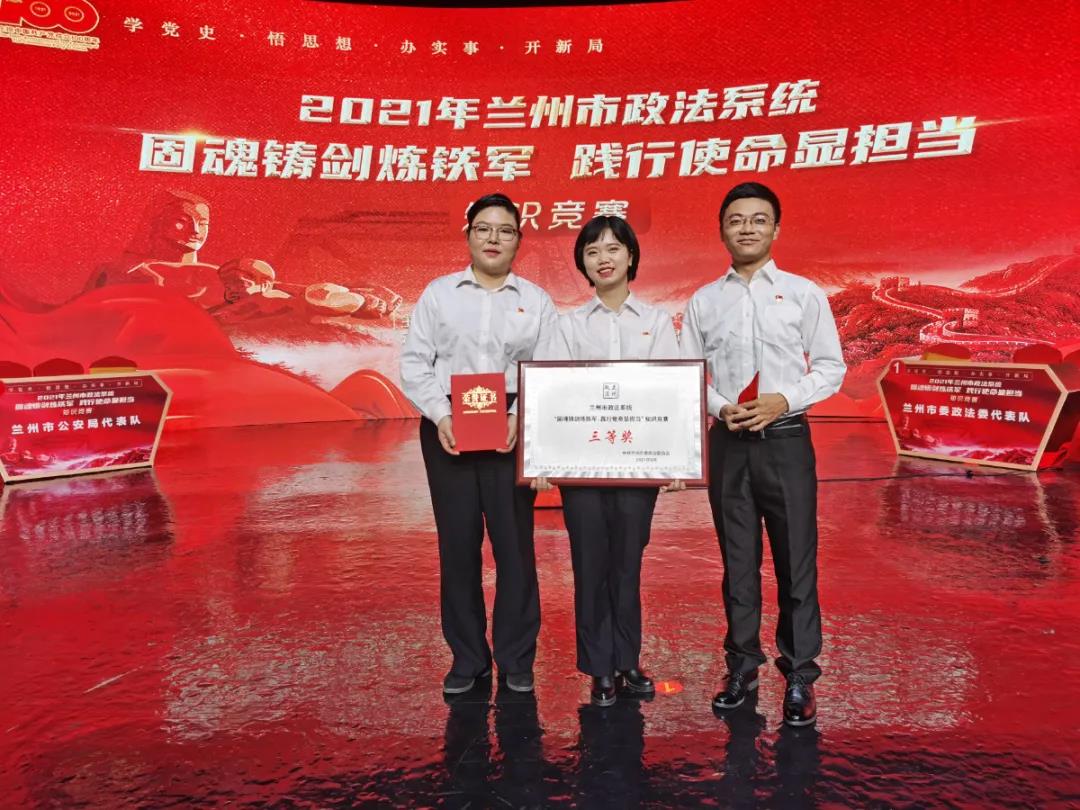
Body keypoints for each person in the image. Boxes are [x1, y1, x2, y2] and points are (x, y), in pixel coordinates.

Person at [680, 182, 846, 726]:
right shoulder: (704, 301)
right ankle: (742, 668)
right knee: (737, 563)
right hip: (729, 443)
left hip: (786, 441)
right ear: (721, 230)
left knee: (796, 561)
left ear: (775, 228)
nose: (746, 228)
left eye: (758, 219)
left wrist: (783, 400)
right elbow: (689, 372)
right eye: (736, 220)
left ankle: (799, 675)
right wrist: (719, 407)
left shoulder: (803, 293)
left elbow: (830, 367)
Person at [401, 192, 557, 695]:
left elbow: (547, 366)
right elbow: (415, 361)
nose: (494, 238)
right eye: (484, 228)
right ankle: (467, 658)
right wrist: (440, 414)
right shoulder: (439, 294)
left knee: (515, 546)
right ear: (468, 235)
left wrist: (519, 414)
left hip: (511, 420)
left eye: (505, 230)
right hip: (449, 421)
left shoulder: (536, 300)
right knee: (458, 545)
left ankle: (516, 658)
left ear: (518, 240)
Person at [533, 215, 680, 707]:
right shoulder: (567, 325)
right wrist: (544, 459)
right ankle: (599, 667)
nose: (604, 258)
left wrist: (676, 460)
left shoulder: (656, 321)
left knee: (628, 562)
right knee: (589, 561)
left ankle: (627, 660)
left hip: (638, 464)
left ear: (631, 256)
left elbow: (671, 391)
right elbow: (552, 393)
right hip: (582, 467)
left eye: (613, 248)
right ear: (583, 263)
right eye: (593, 251)